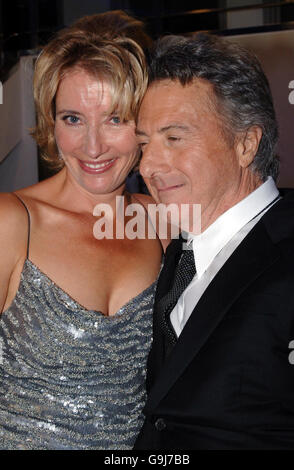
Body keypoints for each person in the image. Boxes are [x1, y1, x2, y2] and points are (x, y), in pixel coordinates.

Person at [0, 13, 163, 450]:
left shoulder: (165, 223)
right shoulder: (12, 222)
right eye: (73, 119)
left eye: (115, 119)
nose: (93, 147)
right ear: (51, 121)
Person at [134, 33, 294, 450]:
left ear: (246, 144)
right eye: (144, 143)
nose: (148, 165)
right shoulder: (178, 254)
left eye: (174, 138)